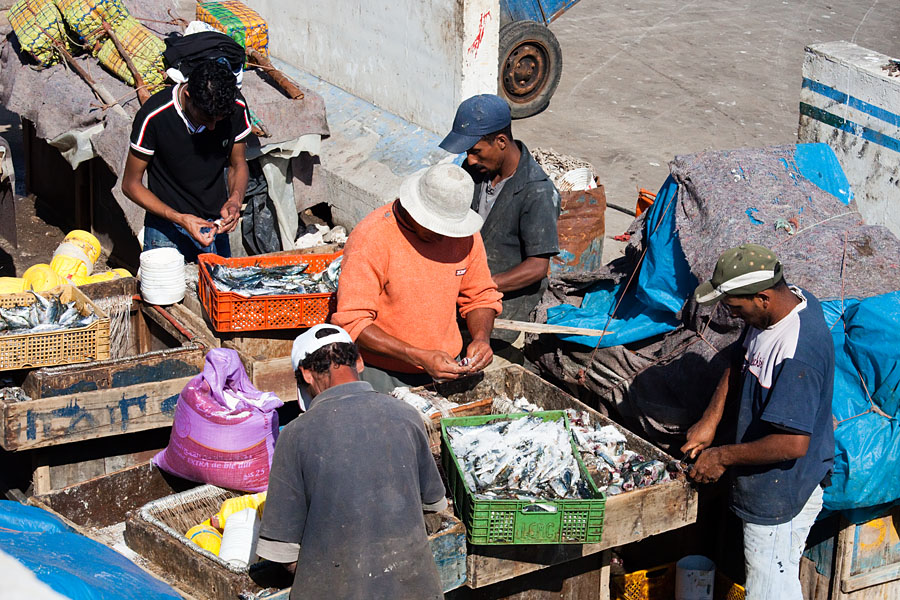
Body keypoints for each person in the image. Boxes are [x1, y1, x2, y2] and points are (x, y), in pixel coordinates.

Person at [681, 244, 834, 600]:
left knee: (769, 590)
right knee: (776, 581)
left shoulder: (798, 353)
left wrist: (720, 456)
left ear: (763, 298)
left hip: (781, 492)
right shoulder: (785, 302)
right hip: (769, 484)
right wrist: (710, 419)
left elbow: (793, 444)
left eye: (735, 308)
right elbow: (742, 357)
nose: (731, 315)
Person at [256, 324, 447, 599]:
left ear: (307, 375)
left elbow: (283, 549)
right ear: (359, 360)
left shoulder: (296, 435)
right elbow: (434, 504)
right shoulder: (407, 415)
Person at [330, 162, 503, 392]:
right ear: (414, 210)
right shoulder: (371, 238)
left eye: (449, 229)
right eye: (435, 228)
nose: (444, 238)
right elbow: (354, 322)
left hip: (448, 368)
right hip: (385, 373)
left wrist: (481, 338)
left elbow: (480, 296)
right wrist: (418, 356)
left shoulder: (465, 237)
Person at [440, 94, 560, 349]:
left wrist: (481, 286)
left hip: (506, 312)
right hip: (463, 296)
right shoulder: (475, 171)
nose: (470, 160)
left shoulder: (536, 191)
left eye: (476, 152)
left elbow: (537, 267)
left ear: (501, 142)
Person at [122, 59, 251, 261]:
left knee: (218, 289)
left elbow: (238, 164)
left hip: (214, 226)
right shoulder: (154, 116)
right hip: (166, 228)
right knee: (164, 291)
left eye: (218, 121)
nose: (211, 128)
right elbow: (130, 185)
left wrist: (235, 199)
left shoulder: (234, 107)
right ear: (188, 95)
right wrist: (180, 219)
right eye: (206, 119)